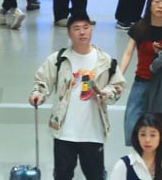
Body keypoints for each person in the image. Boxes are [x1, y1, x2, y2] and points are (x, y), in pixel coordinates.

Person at [30, 13, 126, 180]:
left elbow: (117, 86)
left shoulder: (106, 61)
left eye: (86, 27)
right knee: (62, 175)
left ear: (91, 30)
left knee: (95, 175)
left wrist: (106, 93)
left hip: (93, 132)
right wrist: (38, 94)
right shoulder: (59, 59)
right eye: (76, 28)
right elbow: (42, 81)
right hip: (64, 132)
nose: (82, 32)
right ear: (69, 33)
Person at [118, 0, 162, 146]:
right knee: (132, 119)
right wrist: (118, 76)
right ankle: (138, 153)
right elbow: (128, 53)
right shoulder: (140, 28)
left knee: (160, 126)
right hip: (141, 81)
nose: (161, 5)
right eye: (157, 1)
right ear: (150, 4)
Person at [108, 114, 162, 180]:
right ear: (137, 137)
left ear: (160, 137)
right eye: (143, 135)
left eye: (152, 135)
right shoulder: (123, 165)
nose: (147, 140)